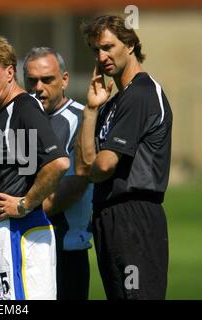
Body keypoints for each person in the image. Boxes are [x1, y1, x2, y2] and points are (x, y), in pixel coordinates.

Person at [76, 15, 172, 299]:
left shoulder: (140, 93)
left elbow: (103, 164)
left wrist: (93, 167)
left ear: (129, 45)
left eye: (108, 47)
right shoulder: (112, 102)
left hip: (135, 219)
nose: (102, 56)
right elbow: (85, 164)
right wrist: (91, 111)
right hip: (110, 217)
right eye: (96, 50)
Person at [0, 36, 70, 300]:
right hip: (6, 236)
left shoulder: (23, 107)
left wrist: (25, 203)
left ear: (10, 72)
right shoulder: (5, 113)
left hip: (17, 233)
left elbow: (58, 163)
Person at [23, 47, 93, 300]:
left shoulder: (82, 119)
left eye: (47, 79)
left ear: (64, 80)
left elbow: (74, 186)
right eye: (32, 81)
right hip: (25, 246)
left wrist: (24, 209)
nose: (38, 87)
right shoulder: (19, 119)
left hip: (65, 248)